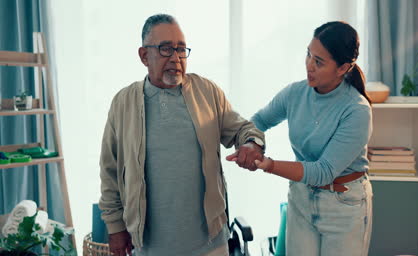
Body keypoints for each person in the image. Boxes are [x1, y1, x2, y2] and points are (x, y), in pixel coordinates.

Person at [98, 13, 265, 256]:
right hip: (149, 247)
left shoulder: (207, 92)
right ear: (144, 56)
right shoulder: (123, 103)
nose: (176, 58)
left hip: (210, 244)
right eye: (165, 49)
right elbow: (109, 171)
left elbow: (243, 129)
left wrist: (252, 143)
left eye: (181, 49)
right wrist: (115, 227)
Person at [243, 21, 374, 256]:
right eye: (308, 55)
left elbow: (323, 171)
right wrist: (253, 143)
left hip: (344, 205)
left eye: (319, 62)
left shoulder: (356, 110)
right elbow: (258, 121)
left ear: (343, 68)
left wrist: (269, 165)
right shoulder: (295, 93)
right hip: (301, 199)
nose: (309, 66)